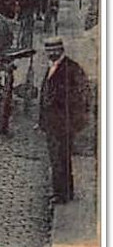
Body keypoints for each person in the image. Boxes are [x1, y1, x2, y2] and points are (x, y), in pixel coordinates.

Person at [39, 37, 91, 204]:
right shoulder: (52, 67)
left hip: (63, 123)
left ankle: (62, 194)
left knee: (61, 158)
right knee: (57, 158)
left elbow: (80, 97)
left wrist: (73, 122)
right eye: (49, 50)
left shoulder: (71, 69)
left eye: (54, 50)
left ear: (61, 50)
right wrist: (42, 120)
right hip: (52, 123)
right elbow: (45, 95)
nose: (51, 53)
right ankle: (62, 191)